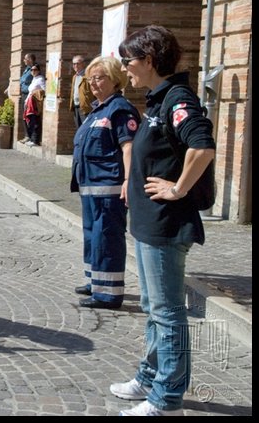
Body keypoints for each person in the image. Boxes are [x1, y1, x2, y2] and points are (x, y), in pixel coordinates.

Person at [110, 25, 216, 416]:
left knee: (167, 312)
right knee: (156, 308)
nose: (126, 68)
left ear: (150, 60)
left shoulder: (178, 98)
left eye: (130, 60)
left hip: (165, 223)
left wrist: (178, 188)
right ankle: (149, 377)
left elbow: (202, 145)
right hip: (148, 221)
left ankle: (166, 398)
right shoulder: (158, 99)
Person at [70, 56, 140, 310]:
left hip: (108, 187)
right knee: (92, 236)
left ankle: (108, 294)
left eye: (99, 78)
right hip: (90, 187)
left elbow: (128, 147)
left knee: (106, 237)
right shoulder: (97, 109)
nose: (93, 84)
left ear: (115, 80)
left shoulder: (120, 109)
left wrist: (127, 181)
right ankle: (95, 281)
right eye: (90, 80)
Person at [22, 63, 46, 146]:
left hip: (35, 103)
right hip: (29, 103)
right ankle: (31, 138)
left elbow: (44, 90)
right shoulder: (34, 79)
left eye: (35, 70)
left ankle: (35, 140)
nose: (33, 71)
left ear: (38, 71)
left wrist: (35, 94)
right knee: (29, 121)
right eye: (32, 70)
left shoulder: (40, 79)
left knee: (35, 121)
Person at [70, 55, 96, 129]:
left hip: (85, 108)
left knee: (86, 129)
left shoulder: (88, 76)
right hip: (76, 107)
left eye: (77, 63)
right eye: (74, 64)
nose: (75, 65)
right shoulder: (74, 77)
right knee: (79, 129)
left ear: (83, 64)